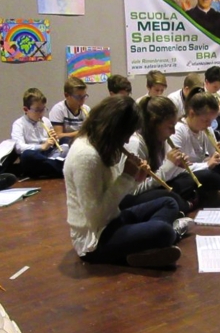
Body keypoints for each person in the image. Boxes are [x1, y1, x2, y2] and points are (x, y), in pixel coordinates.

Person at [64, 95, 191, 269]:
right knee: (164, 231)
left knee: (168, 203)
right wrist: (126, 177)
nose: (126, 141)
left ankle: (144, 248)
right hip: (94, 239)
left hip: (112, 219)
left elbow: (114, 195)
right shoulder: (86, 157)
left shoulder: (99, 145)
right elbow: (95, 216)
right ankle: (156, 240)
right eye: (126, 134)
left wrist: (135, 179)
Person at [121, 96, 200, 214]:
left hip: (152, 188)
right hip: (131, 197)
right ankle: (186, 205)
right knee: (167, 196)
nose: (173, 132)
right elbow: (134, 191)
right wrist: (169, 166)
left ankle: (183, 205)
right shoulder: (136, 144)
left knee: (187, 179)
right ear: (154, 124)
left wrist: (177, 166)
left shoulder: (159, 139)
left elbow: (162, 176)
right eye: (170, 127)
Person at [11, 88, 66, 178]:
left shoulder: (46, 121)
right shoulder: (19, 124)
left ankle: (52, 167)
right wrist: (41, 147)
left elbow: (52, 145)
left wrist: (55, 140)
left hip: (48, 154)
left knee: (66, 141)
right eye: (37, 110)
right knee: (27, 155)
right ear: (26, 109)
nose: (41, 113)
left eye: (43, 109)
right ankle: (59, 167)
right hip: (35, 154)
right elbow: (19, 147)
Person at [48, 76, 90, 145]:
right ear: (66, 95)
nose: (82, 101)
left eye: (84, 96)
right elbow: (58, 136)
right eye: (79, 97)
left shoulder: (87, 109)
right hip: (65, 144)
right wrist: (80, 133)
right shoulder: (58, 109)